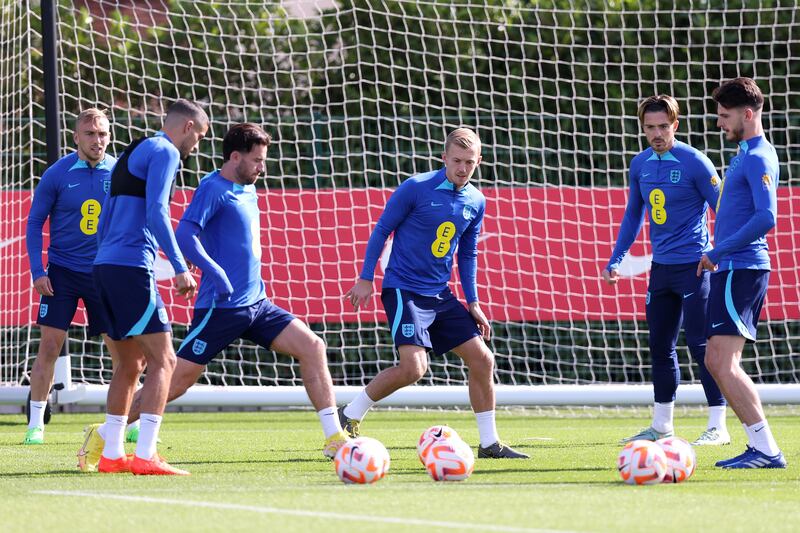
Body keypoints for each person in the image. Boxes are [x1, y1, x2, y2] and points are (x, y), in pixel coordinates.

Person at [123, 123, 349, 458]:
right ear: (234, 157)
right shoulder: (213, 188)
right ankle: (107, 431)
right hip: (220, 307)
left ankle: (335, 438)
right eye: (257, 160)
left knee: (313, 346)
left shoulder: (249, 187)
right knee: (176, 380)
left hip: (257, 305)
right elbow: (185, 235)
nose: (262, 167)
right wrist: (215, 271)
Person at [341, 128, 528, 459]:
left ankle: (489, 443)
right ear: (444, 158)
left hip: (439, 295)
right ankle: (350, 415)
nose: (462, 168)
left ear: (479, 162)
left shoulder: (476, 200)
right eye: (456, 161)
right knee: (414, 369)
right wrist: (366, 277)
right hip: (404, 290)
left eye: (469, 162)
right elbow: (382, 230)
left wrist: (473, 303)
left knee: (483, 359)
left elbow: (468, 254)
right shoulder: (415, 188)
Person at [76, 99, 208, 475]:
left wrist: (105, 260)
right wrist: (180, 266)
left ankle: (113, 454)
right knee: (165, 360)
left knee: (130, 364)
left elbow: (106, 218)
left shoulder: (132, 150)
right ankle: (147, 454)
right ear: (187, 128)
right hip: (130, 267)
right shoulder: (167, 151)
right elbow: (157, 212)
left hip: (104, 266)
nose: (196, 145)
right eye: (198, 137)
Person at [602, 95, 730, 446]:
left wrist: (719, 252)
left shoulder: (695, 163)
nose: (657, 133)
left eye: (663, 126)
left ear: (676, 124)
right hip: (661, 270)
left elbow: (724, 209)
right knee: (660, 346)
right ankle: (661, 426)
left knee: (702, 346)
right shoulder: (640, 163)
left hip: (695, 267)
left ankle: (718, 424)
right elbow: (633, 215)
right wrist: (616, 257)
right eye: (650, 127)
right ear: (642, 128)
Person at [698, 77, 785, 468]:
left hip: (741, 267)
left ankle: (766, 449)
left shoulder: (759, 156)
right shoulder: (746, 153)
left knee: (722, 363)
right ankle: (761, 447)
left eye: (724, 115)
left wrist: (719, 250)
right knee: (717, 361)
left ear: (747, 114)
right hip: (733, 268)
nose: (720, 123)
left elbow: (767, 216)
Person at [24, 108, 125, 445]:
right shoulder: (57, 173)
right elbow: (35, 222)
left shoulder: (120, 171)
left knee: (122, 351)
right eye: (91, 134)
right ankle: (35, 424)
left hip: (104, 274)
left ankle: (126, 421)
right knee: (49, 346)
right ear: (76, 137)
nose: (98, 140)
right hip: (62, 274)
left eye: (103, 134)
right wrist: (38, 271)